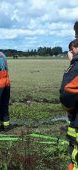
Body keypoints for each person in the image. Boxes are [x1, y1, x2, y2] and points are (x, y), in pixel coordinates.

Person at [59, 39, 78, 170]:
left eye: (72, 49)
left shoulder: (76, 65)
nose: (71, 52)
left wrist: (73, 61)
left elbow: (67, 92)